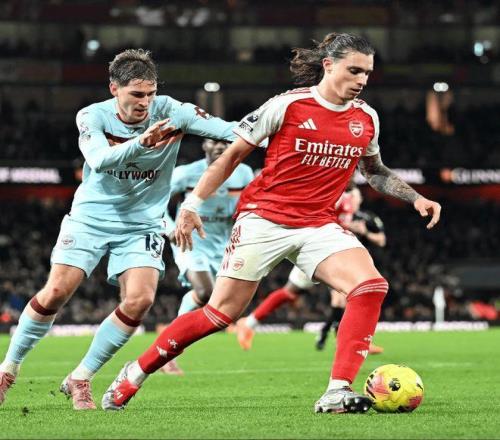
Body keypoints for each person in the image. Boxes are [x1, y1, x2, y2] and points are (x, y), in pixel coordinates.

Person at [102, 32, 441, 414]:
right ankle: (135, 371)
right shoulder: (287, 106)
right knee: (219, 314)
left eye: (367, 73)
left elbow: (374, 171)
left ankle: (336, 390)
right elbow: (231, 157)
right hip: (264, 220)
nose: (362, 80)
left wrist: (415, 197)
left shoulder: (366, 118)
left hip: (318, 223)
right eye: (354, 70)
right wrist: (192, 204)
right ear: (329, 65)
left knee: (370, 286)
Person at [0, 49, 238, 410]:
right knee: (56, 292)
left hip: (142, 223)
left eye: (151, 93)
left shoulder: (174, 112)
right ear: (115, 89)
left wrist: (275, 125)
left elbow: (232, 131)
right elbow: (98, 159)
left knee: (140, 301)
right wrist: (141, 142)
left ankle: (81, 377)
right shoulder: (92, 115)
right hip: (91, 218)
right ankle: (8, 369)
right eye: (137, 94)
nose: (146, 102)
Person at [235, 185, 387, 353]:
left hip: (330, 252)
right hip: (318, 250)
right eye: (356, 196)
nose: (358, 199)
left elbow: (379, 239)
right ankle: (248, 323)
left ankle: (353, 340)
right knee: (293, 293)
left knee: (342, 296)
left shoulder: (355, 212)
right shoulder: (337, 196)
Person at [158, 138, 254, 375]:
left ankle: (168, 342)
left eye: (225, 142)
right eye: (214, 141)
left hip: (226, 244)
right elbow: (155, 201)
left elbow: (252, 203)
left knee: (221, 302)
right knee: (205, 292)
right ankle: (168, 350)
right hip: (192, 242)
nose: (220, 146)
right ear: (204, 146)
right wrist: (168, 228)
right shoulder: (186, 173)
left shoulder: (243, 173)